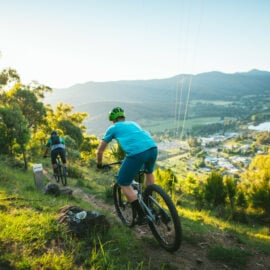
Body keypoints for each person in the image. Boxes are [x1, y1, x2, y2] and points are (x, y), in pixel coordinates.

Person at [96, 107, 158, 225]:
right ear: (123, 117)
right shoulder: (133, 124)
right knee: (148, 172)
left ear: (112, 120)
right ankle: (150, 203)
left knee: (123, 183)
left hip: (137, 154)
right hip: (153, 148)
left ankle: (141, 215)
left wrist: (99, 164)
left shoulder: (113, 128)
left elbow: (99, 151)